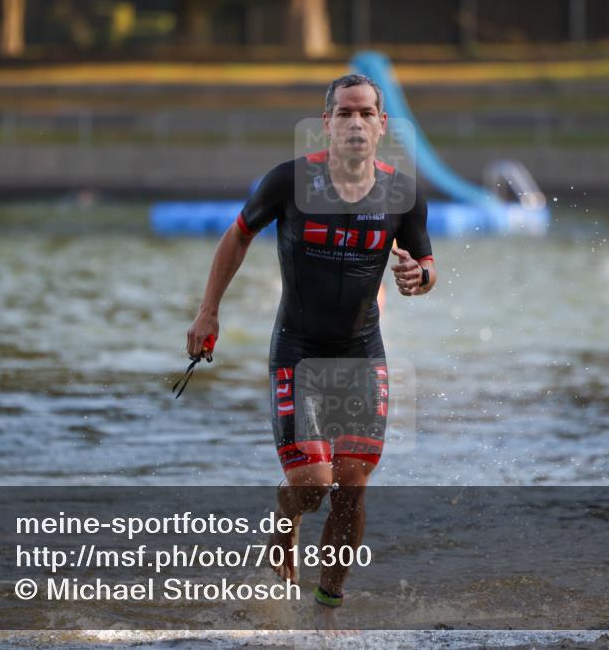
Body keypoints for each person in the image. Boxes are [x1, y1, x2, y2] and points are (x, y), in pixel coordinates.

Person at [185, 74, 436, 619]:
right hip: (297, 350)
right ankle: (285, 518)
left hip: (361, 351)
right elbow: (237, 236)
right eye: (344, 113)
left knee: (351, 485)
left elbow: (425, 261)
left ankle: (327, 610)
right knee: (312, 484)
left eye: (365, 113)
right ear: (326, 123)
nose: (355, 123)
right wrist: (209, 311)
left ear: (381, 124)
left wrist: (420, 276)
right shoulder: (289, 182)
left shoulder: (404, 192)